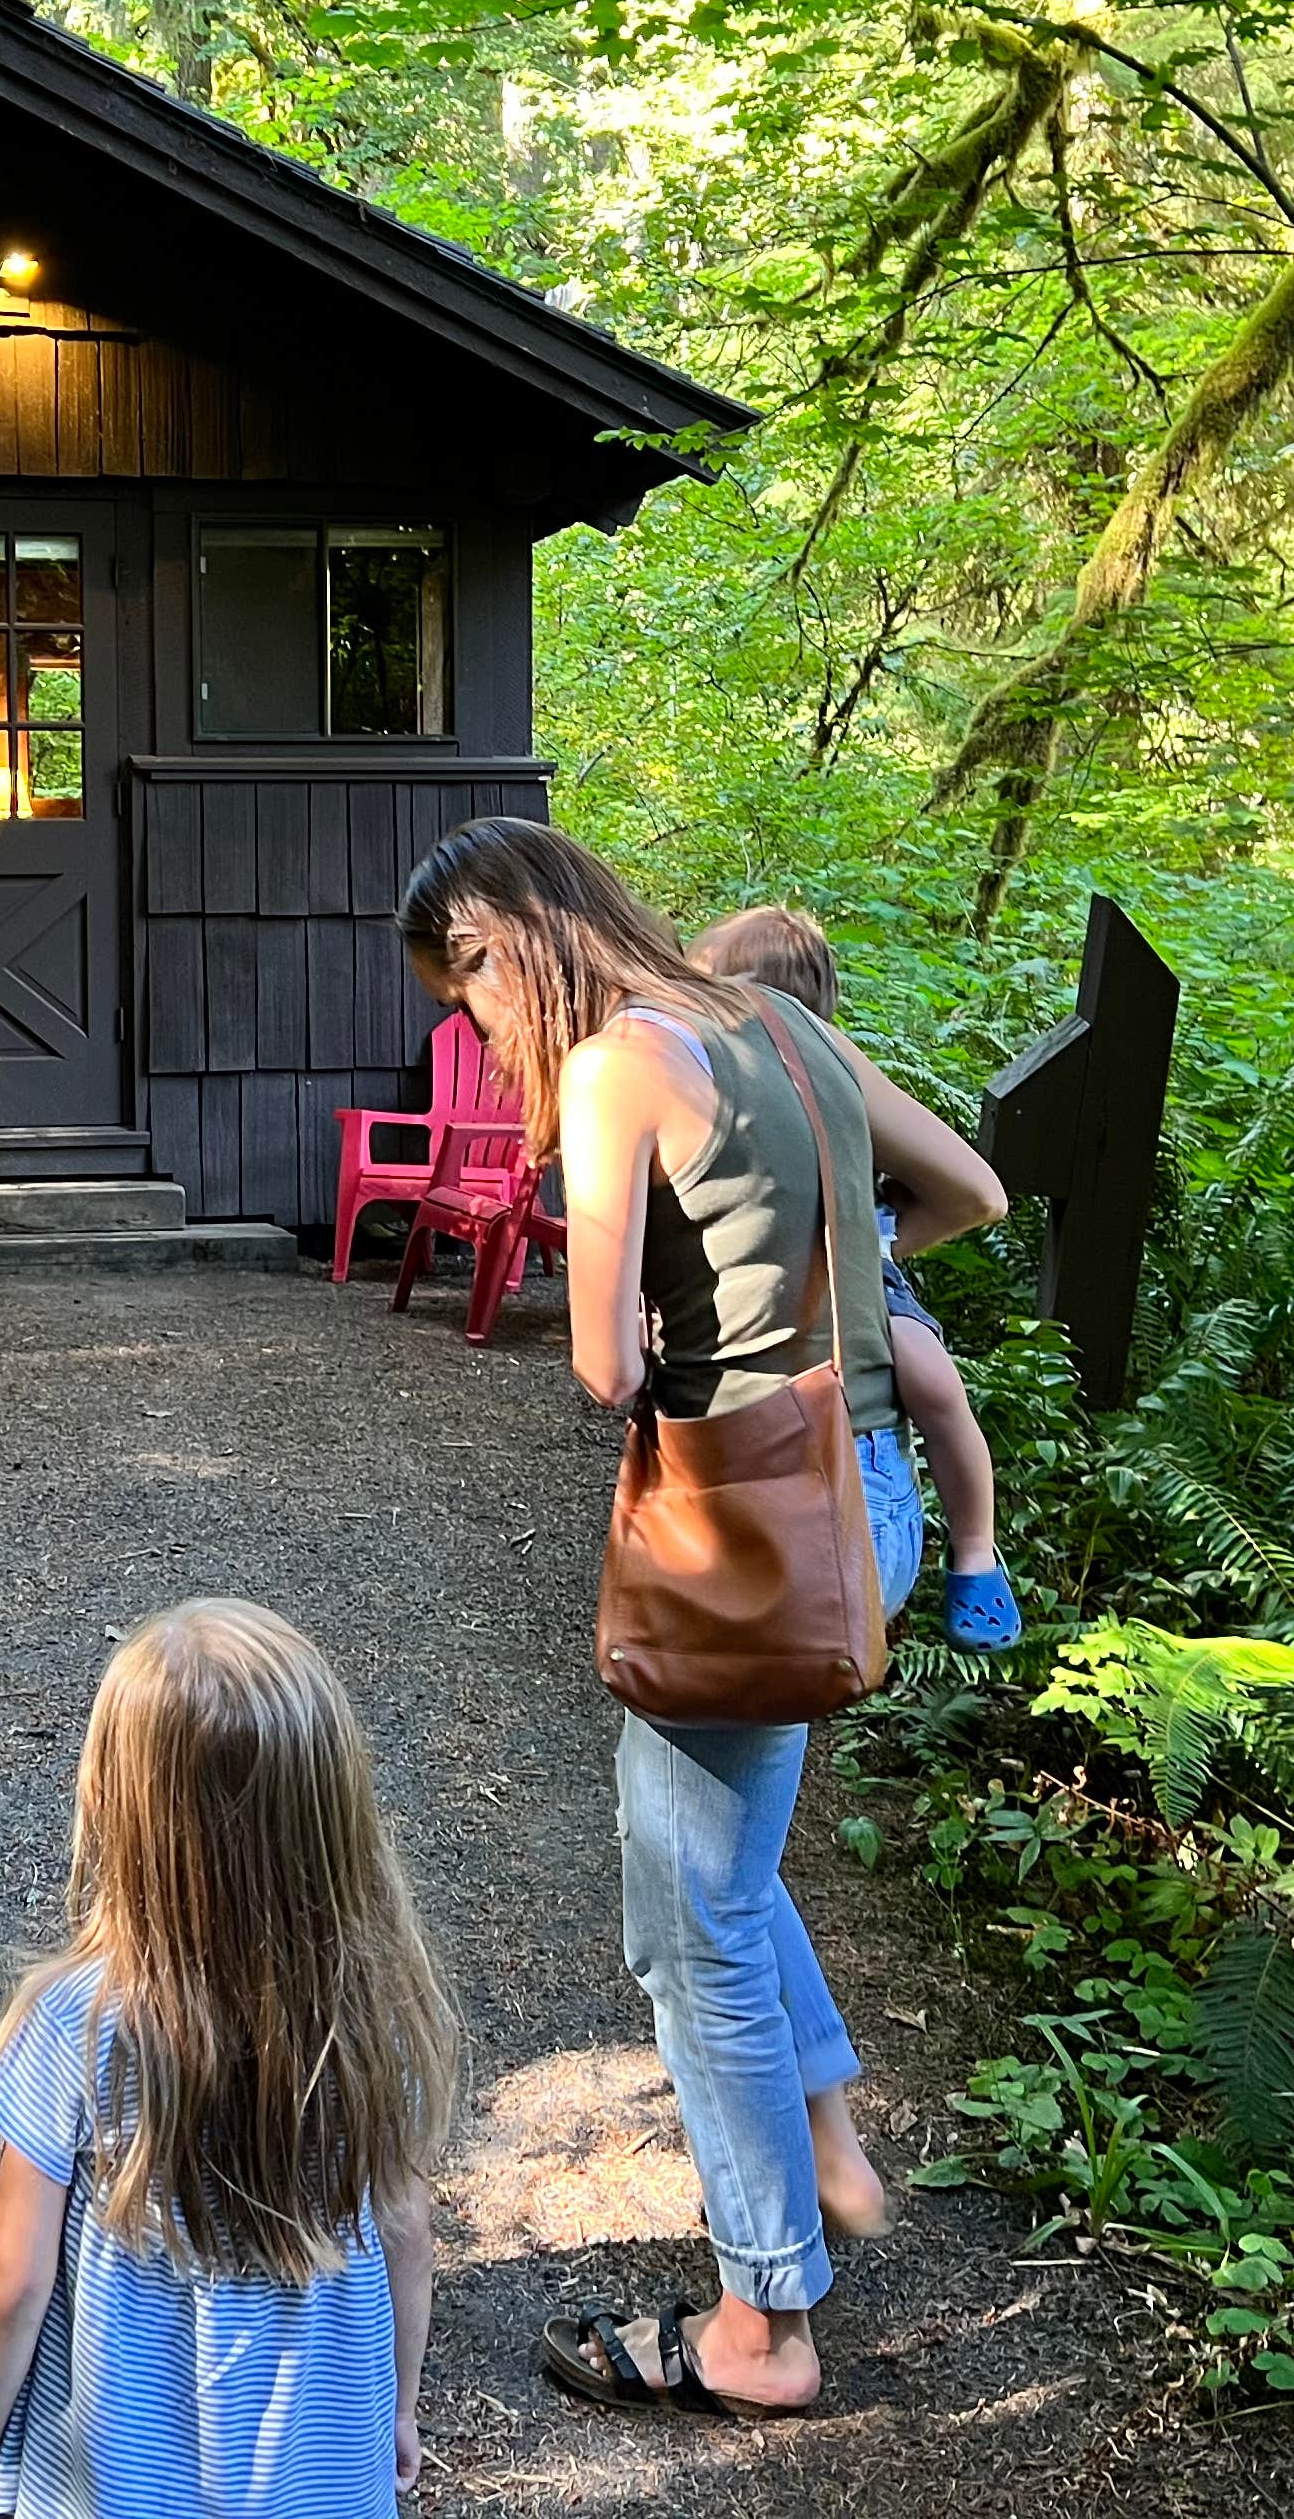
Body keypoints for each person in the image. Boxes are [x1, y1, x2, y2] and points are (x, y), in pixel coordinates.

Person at [394, 819, 1007, 2423]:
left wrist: (686, 1324)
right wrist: (844, 1298)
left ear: (505, 942)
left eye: (466, 992)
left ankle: (763, 2323)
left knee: (688, 1924)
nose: (472, 1030)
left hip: (741, 1520)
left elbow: (602, 1362)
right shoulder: (786, 1023)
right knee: (726, 1873)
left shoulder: (618, 1068)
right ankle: (825, 2144)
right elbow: (972, 1194)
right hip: (859, 1498)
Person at [0, 1601, 459, 2519]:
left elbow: (11, 2282)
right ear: (335, 1818)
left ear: (120, 1812)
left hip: (117, 2486)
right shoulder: (377, 2015)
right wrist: (399, 2407)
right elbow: (408, 2238)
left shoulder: (76, 2022)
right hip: (324, 2478)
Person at [687, 905, 1021, 1653]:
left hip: (860, 1267)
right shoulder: (704, 1074)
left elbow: (974, 1194)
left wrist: (883, 1253)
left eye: (709, 986)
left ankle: (976, 1550)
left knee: (932, 1379)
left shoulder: (828, 1064)